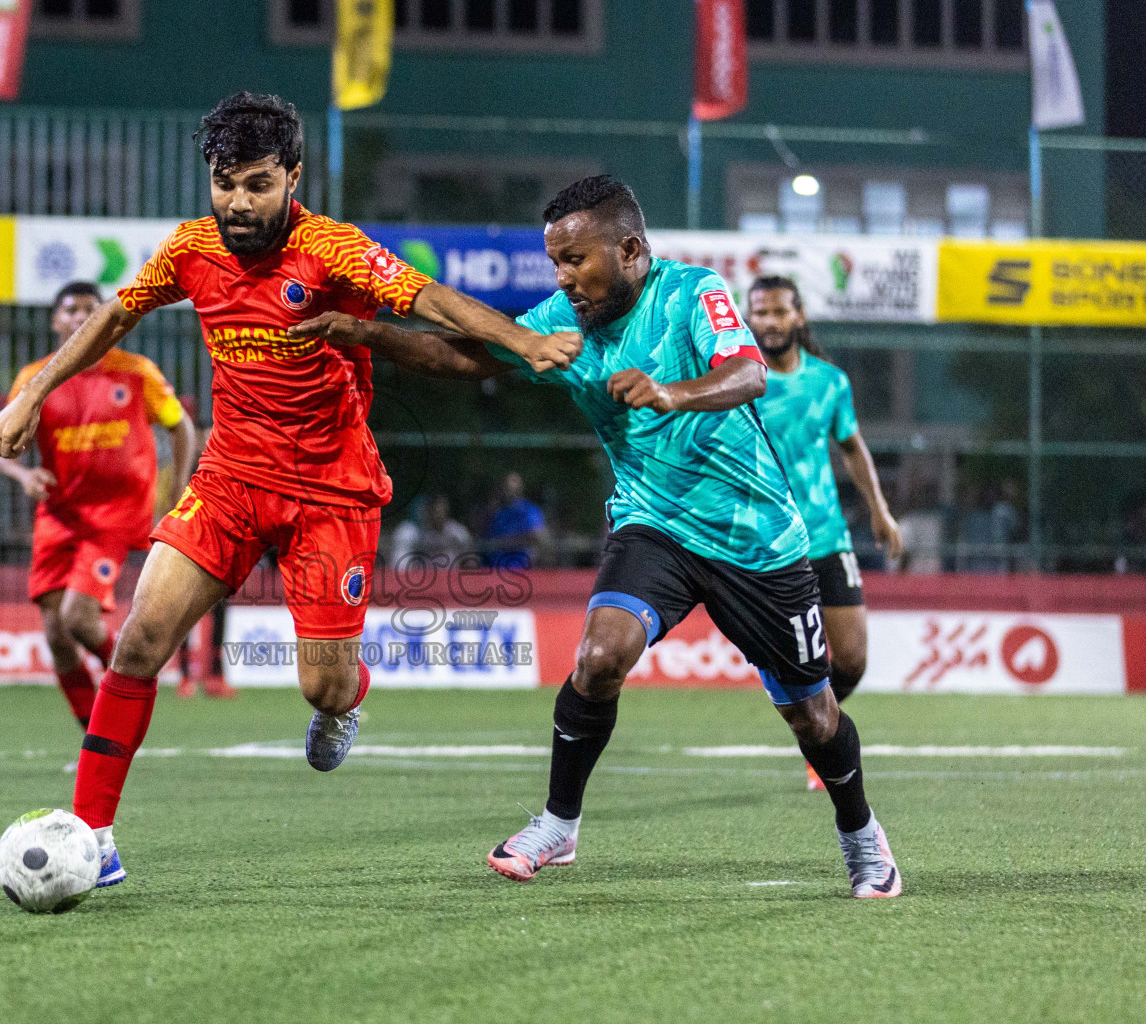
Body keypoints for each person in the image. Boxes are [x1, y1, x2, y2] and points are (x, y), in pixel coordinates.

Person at [0, 92, 580, 890]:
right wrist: (32, 394)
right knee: (138, 640)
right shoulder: (190, 250)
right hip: (230, 478)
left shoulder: (332, 249)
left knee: (321, 683)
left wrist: (522, 340)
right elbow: (113, 320)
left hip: (331, 489)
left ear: (292, 177)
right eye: (225, 182)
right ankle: (94, 834)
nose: (238, 201)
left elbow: (430, 299)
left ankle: (346, 700)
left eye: (258, 183)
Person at [291, 175, 901, 899]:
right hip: (654, 526)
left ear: (631, 249)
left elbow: (747, 373)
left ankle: (863, 839)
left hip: (757, 541)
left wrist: (671, 392)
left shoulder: (691, 292)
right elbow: (472, 357)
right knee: (599, 655)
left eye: (576, 259)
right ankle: (558, 822)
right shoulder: (561, 318)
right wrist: (371, 335)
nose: (564, 278)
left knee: (813, 711)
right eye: (556, 263)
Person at [0, 281, 197, 732]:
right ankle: (94, 732)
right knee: (55, 634)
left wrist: (178, 492)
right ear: (54, 320)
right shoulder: (35, 379)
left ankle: (136, 675)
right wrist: (23, 473)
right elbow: (0, 443)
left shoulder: (135, 371)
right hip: (59, 513)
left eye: (90, 310)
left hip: (116, 514)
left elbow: (181, 427)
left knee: (77, 617)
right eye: (70, 310)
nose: (79, 318)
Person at [746, 275, 904, 790]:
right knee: (792, 662)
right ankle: (821, 740)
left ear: (799, 317)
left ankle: (820, 735)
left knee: (853, 661)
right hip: (765, 542)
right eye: (759, 313)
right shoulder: (738, 381)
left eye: (777, 312)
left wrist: (879, 510)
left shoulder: (830, 382)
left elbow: (853, 448)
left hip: (828, 537)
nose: (768, 322)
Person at [390, 493, 473, 567]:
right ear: (429, 512)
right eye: (436, 512)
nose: (439, 516)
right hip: (424, 579)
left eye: (443, 511)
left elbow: (469, 559)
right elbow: (401, 564)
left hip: (452, 578)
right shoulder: (416, 533)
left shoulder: (457, 533)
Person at [482, 472, 546, 567]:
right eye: (505, 486)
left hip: (518, 568)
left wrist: (503, 543)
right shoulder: (500, 513)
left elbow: (536, 537)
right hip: (495, 568)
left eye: (511, 486)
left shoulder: (529, 510)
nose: (507, 489)